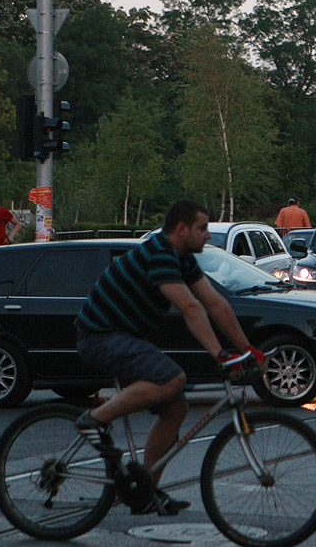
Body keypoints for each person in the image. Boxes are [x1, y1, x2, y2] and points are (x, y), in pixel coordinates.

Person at [74, 199, 264, 516]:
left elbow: (216, 304)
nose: (208, 235)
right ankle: (93, 420)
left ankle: (144, 491)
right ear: (181, 229)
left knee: (176, 406)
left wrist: (247, 349)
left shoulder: (183, 259)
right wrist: (219, 355)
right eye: (202, 228)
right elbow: (191, 308)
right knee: (174, 378)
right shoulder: (159, 254)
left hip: (126, 337)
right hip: (100, 336)